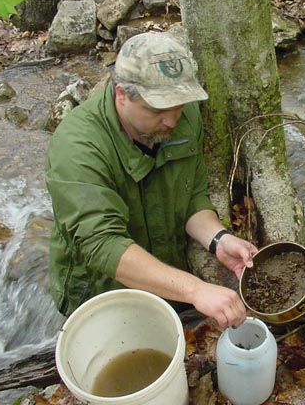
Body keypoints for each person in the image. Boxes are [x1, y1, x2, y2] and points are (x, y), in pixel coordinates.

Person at [45, 31, 258, 329]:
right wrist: (196, 289)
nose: (172, 121)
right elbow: (102, 244)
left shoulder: (186, 118)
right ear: (122, 94)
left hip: (168, 271)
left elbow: (192, 196)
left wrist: (219, 240)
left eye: (179, 105)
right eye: (157, 109)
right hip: (102, 289)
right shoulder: (77, 146)